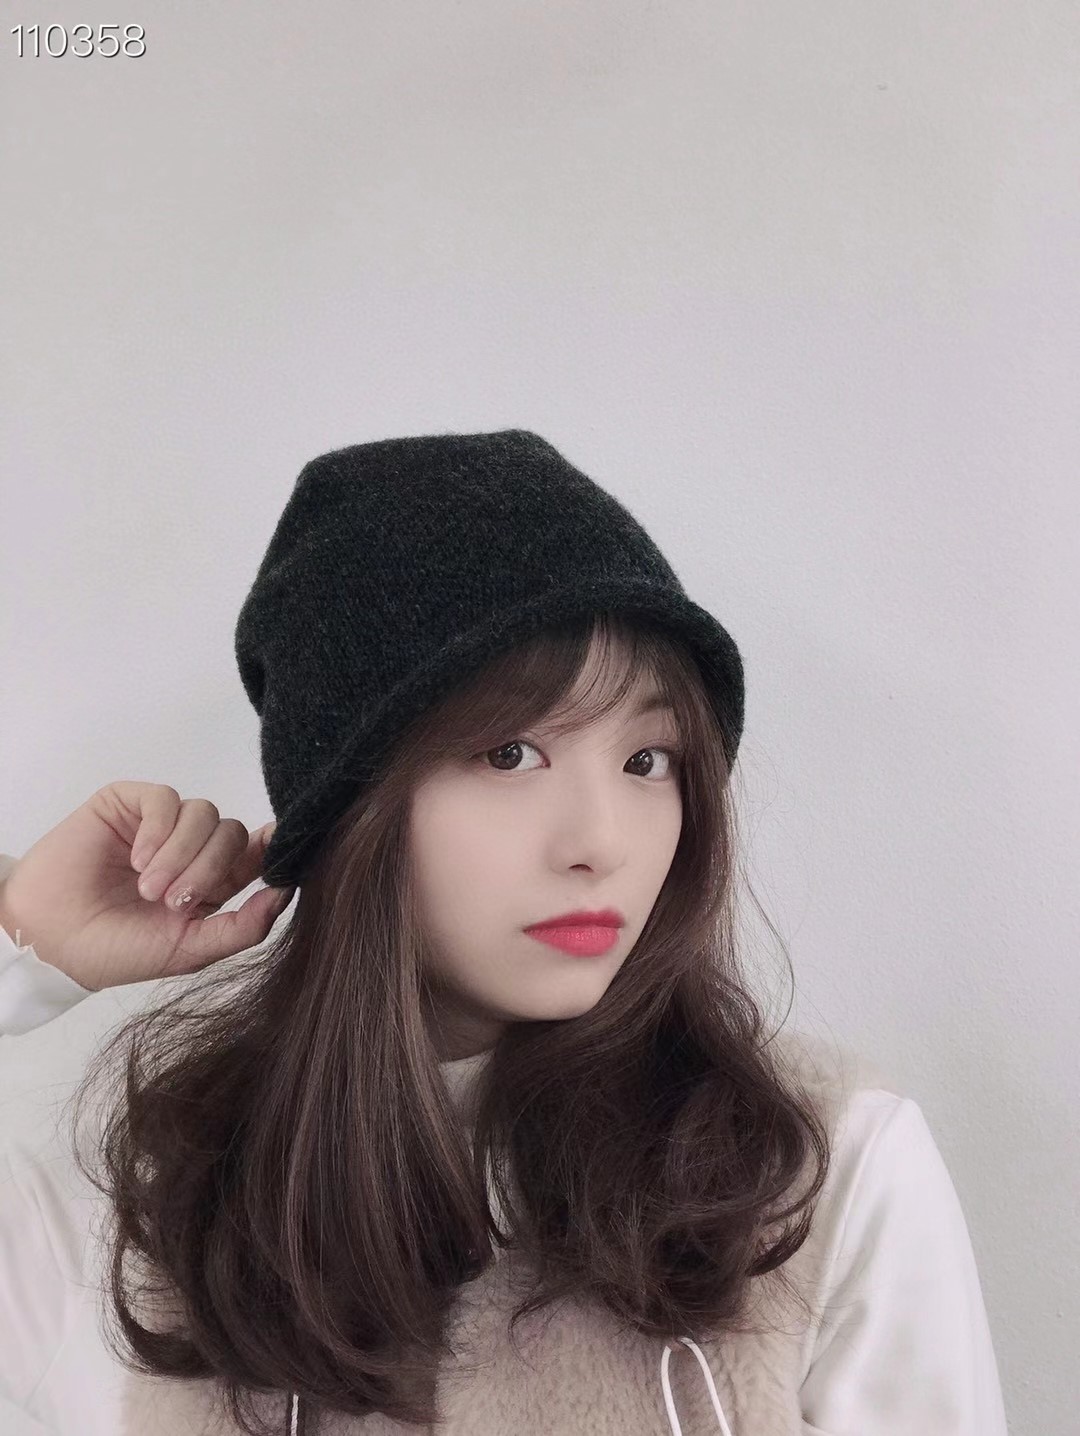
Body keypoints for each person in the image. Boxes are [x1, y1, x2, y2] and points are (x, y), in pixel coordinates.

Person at [0, 429, 1008, 1435]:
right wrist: (26, 943)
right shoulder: (140, 1217)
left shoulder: (812, 1175)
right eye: (511, 753)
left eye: (648, 760)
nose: (600, 842)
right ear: (352, 809)